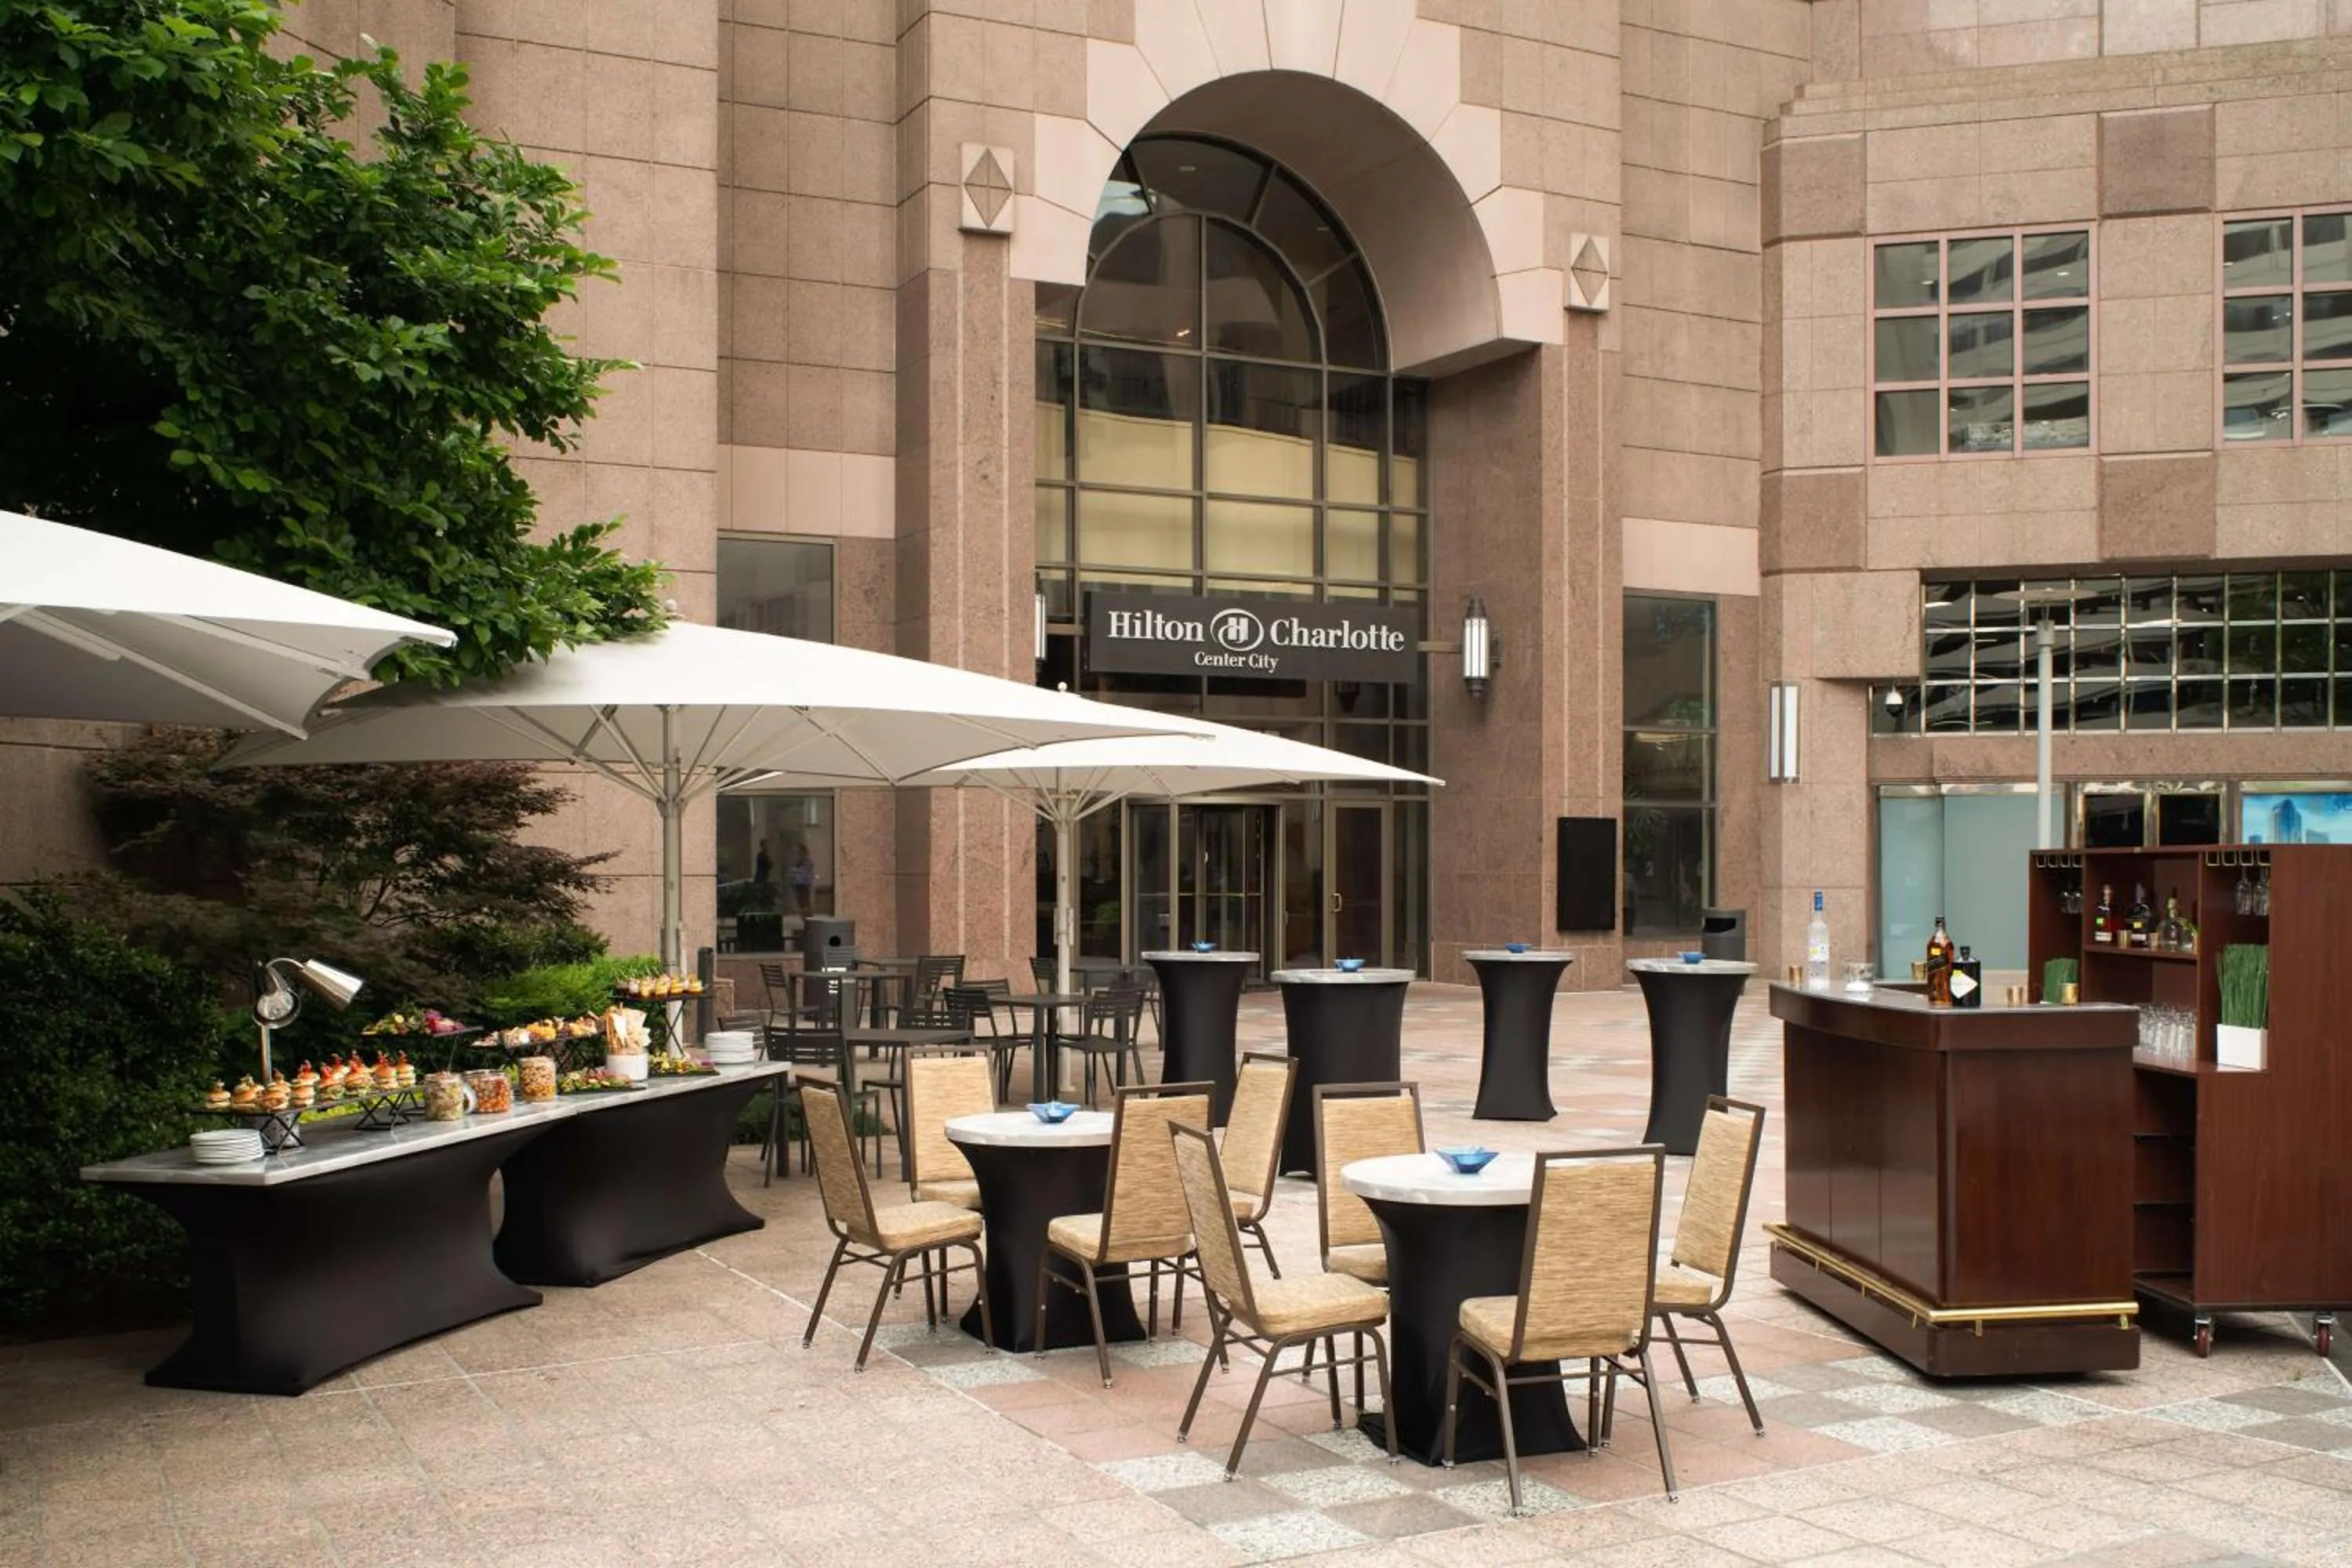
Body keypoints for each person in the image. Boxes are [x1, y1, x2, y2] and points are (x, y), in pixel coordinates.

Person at [789, 844, 818, 917]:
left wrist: (796, 871)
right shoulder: (798, 861)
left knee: (805, 902)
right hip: (799, 884)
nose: (796, 852)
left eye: (797, 851)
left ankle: (807, 916)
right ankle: (805, 916)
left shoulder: (806, 860)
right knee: (801, 902)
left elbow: (806, 872)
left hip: (804, 884)